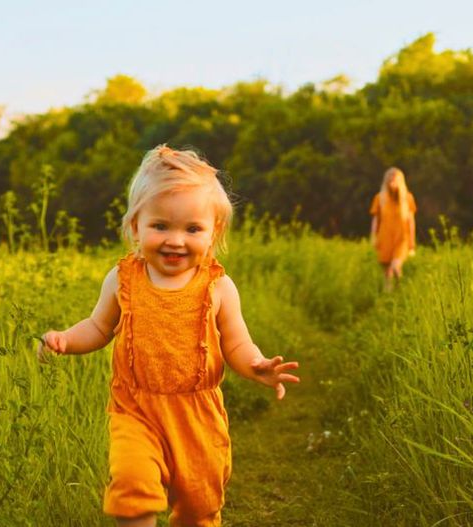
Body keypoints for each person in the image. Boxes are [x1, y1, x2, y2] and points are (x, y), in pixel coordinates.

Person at [36, 145, 300, 527]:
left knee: (199, 507)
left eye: (192, 229)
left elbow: (237, 342)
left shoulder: (218, 287)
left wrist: (255, 364)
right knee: (132, 487)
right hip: (136, 409)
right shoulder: (123, 279)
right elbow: (97, 328)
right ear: (135, 227)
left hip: (197, 416)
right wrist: (64, 339)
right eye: (161, 226)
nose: (176, 240)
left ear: (214, 233)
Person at [370, 167, 417, 291]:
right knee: (387, 272)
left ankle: (401, 289)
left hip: (402, 238)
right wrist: (373, 236)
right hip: (385, 237)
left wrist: (412, 242)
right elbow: (376, 219)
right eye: (390, 181)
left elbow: (411, 221)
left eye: (395, 181)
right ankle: (390, 296)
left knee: (396, 266)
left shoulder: (408, 198)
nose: (392, 184)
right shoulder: (379, 198)